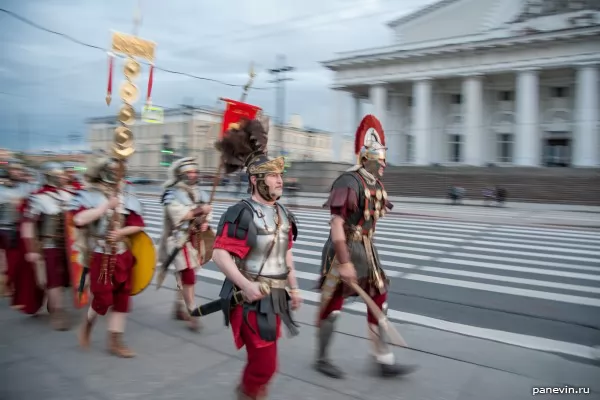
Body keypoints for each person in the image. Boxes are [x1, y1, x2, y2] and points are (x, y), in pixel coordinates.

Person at [315, 114, 417, 379]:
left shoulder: (375, 183)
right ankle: (322, 358)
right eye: (379, 159)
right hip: (344, 249)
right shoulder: (348, 181)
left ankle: (383, 359)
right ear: (366, 158)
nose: (383, 164)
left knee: (379, 302)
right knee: (333, 306)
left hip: (368, 250)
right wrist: (345, 262)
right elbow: (336, 224)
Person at [211, 118, 302, 400]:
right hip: (249, 299)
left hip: (274, 298)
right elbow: (219, 254)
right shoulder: (241, 212)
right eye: (273, 175)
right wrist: (245, 285)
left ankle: (252, 393)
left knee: (264, 364)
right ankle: (247, 392)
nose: (280, 180)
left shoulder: (283, 214)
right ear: (255, 180)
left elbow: (286, 252)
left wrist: (294, 286)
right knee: (265, 366)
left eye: (280, 175)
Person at [67, 150, 145, 358]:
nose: (115, 173)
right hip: (101, 255)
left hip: (122, 254)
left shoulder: (126, 194)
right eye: (110, 169)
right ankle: (87, 325)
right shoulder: (87, 194)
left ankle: (115, 341)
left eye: (117, 169)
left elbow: (137, 225)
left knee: (122, 299)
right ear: (101, 171)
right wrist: (105, 207)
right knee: (103, 299)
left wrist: (121, 232)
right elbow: (79, 220)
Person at [158, 157, 212, 331]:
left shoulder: (200, 192)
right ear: (181, 174)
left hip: (195, 240)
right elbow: (180, 215)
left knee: (185, 276)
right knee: (188, 275)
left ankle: (179, 306)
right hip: (179, 240)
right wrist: (201, 210)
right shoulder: (172, 194)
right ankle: (191, 312)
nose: (193, 175)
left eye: (195, 171)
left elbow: (205, 215)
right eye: (189, 172)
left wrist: (205, 222)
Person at [17, 162, 73, 329]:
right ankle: (58, 312)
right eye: (60, 174)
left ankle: (53, 304)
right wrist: (32, 249)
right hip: (49, 245)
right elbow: (28, 225)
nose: (64, 177)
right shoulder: (37, 198)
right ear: (51, 176)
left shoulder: (68, 195)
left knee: (63, 280)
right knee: (53, 280)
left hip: (68, 245)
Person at [0, 159, 36, 300]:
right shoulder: (2, 189)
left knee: (15, 262)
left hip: (16, 230)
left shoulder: (26, 187)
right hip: (3, 228)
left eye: (19, 170)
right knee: (5, 260)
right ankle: (7, 284)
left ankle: (12, 285)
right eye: (14, 170)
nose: (17, 172)